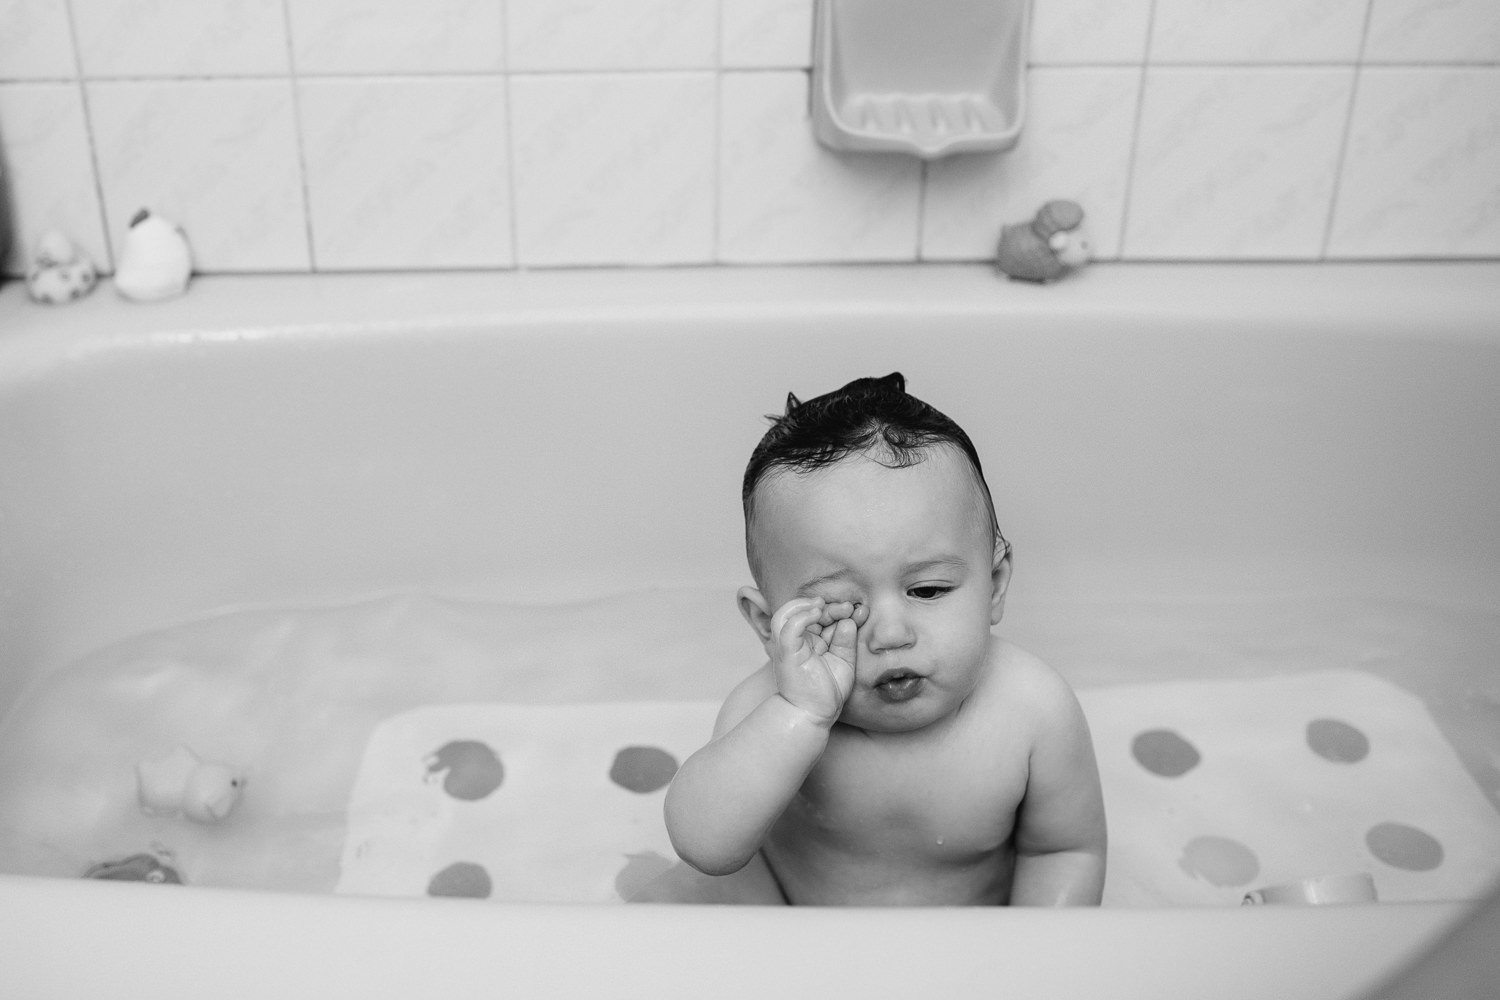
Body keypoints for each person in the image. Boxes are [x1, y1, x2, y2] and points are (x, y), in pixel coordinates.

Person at [659, 372, 1106, 905]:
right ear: (767, 623)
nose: (891, 634)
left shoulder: (1033, 710)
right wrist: (799, 716)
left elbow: (1065, 853)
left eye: (928, 589)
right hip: (798, 936)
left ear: (995, 585)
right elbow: (706, 849)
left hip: (971, 953)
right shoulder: (765, 711)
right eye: (844, 608)